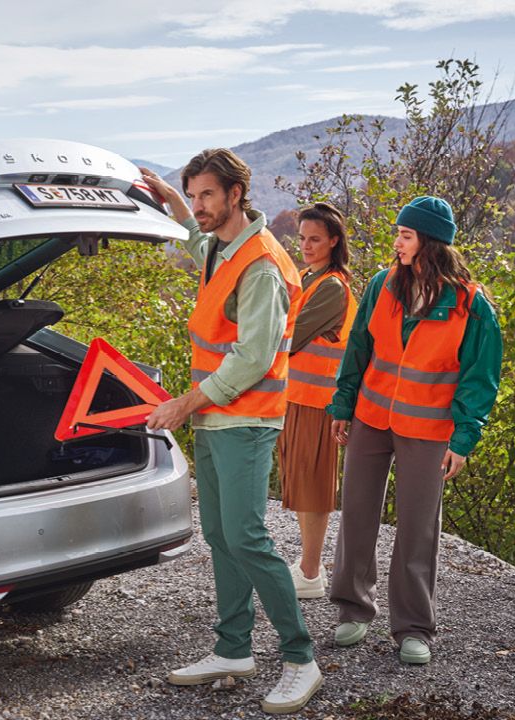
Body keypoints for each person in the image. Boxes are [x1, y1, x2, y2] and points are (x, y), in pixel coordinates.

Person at [141, 152, 321, 716]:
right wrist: (174, 206)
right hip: (215, 418)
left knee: (246, 537)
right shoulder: (224, 246)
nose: (199, 206)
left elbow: (253, 358)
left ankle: (301, 658)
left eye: (207, 196)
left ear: (236, 194)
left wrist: (183, 404)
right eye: (193, 195)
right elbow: (201, 246)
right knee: (220, 534)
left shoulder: (262, 266)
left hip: (247, 419)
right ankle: (233, 649)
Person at [326, 196, 502, 665]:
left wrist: (463, 439)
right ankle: (353, 609)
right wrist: (343, 404)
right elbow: (358, 348)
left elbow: (481, 378)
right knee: (356, 513)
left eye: (405, 235)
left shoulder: (470, 305)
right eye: (398, 234)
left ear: (430, 242)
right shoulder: (382, 285)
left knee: (418, 528)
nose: (397, 243)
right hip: (370, 417)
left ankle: (413, 627)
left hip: (428, 428)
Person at [277, 203, 358, 599]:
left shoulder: (332, 287)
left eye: (315, 239)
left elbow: (289, 335)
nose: (306, 246)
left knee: (312, 484)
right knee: (300, 482)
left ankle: (311, 572)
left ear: (334, 241)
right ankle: (308, 566)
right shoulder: (310, 277)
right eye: (303, 238)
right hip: (297, 397)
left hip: (317, 402)